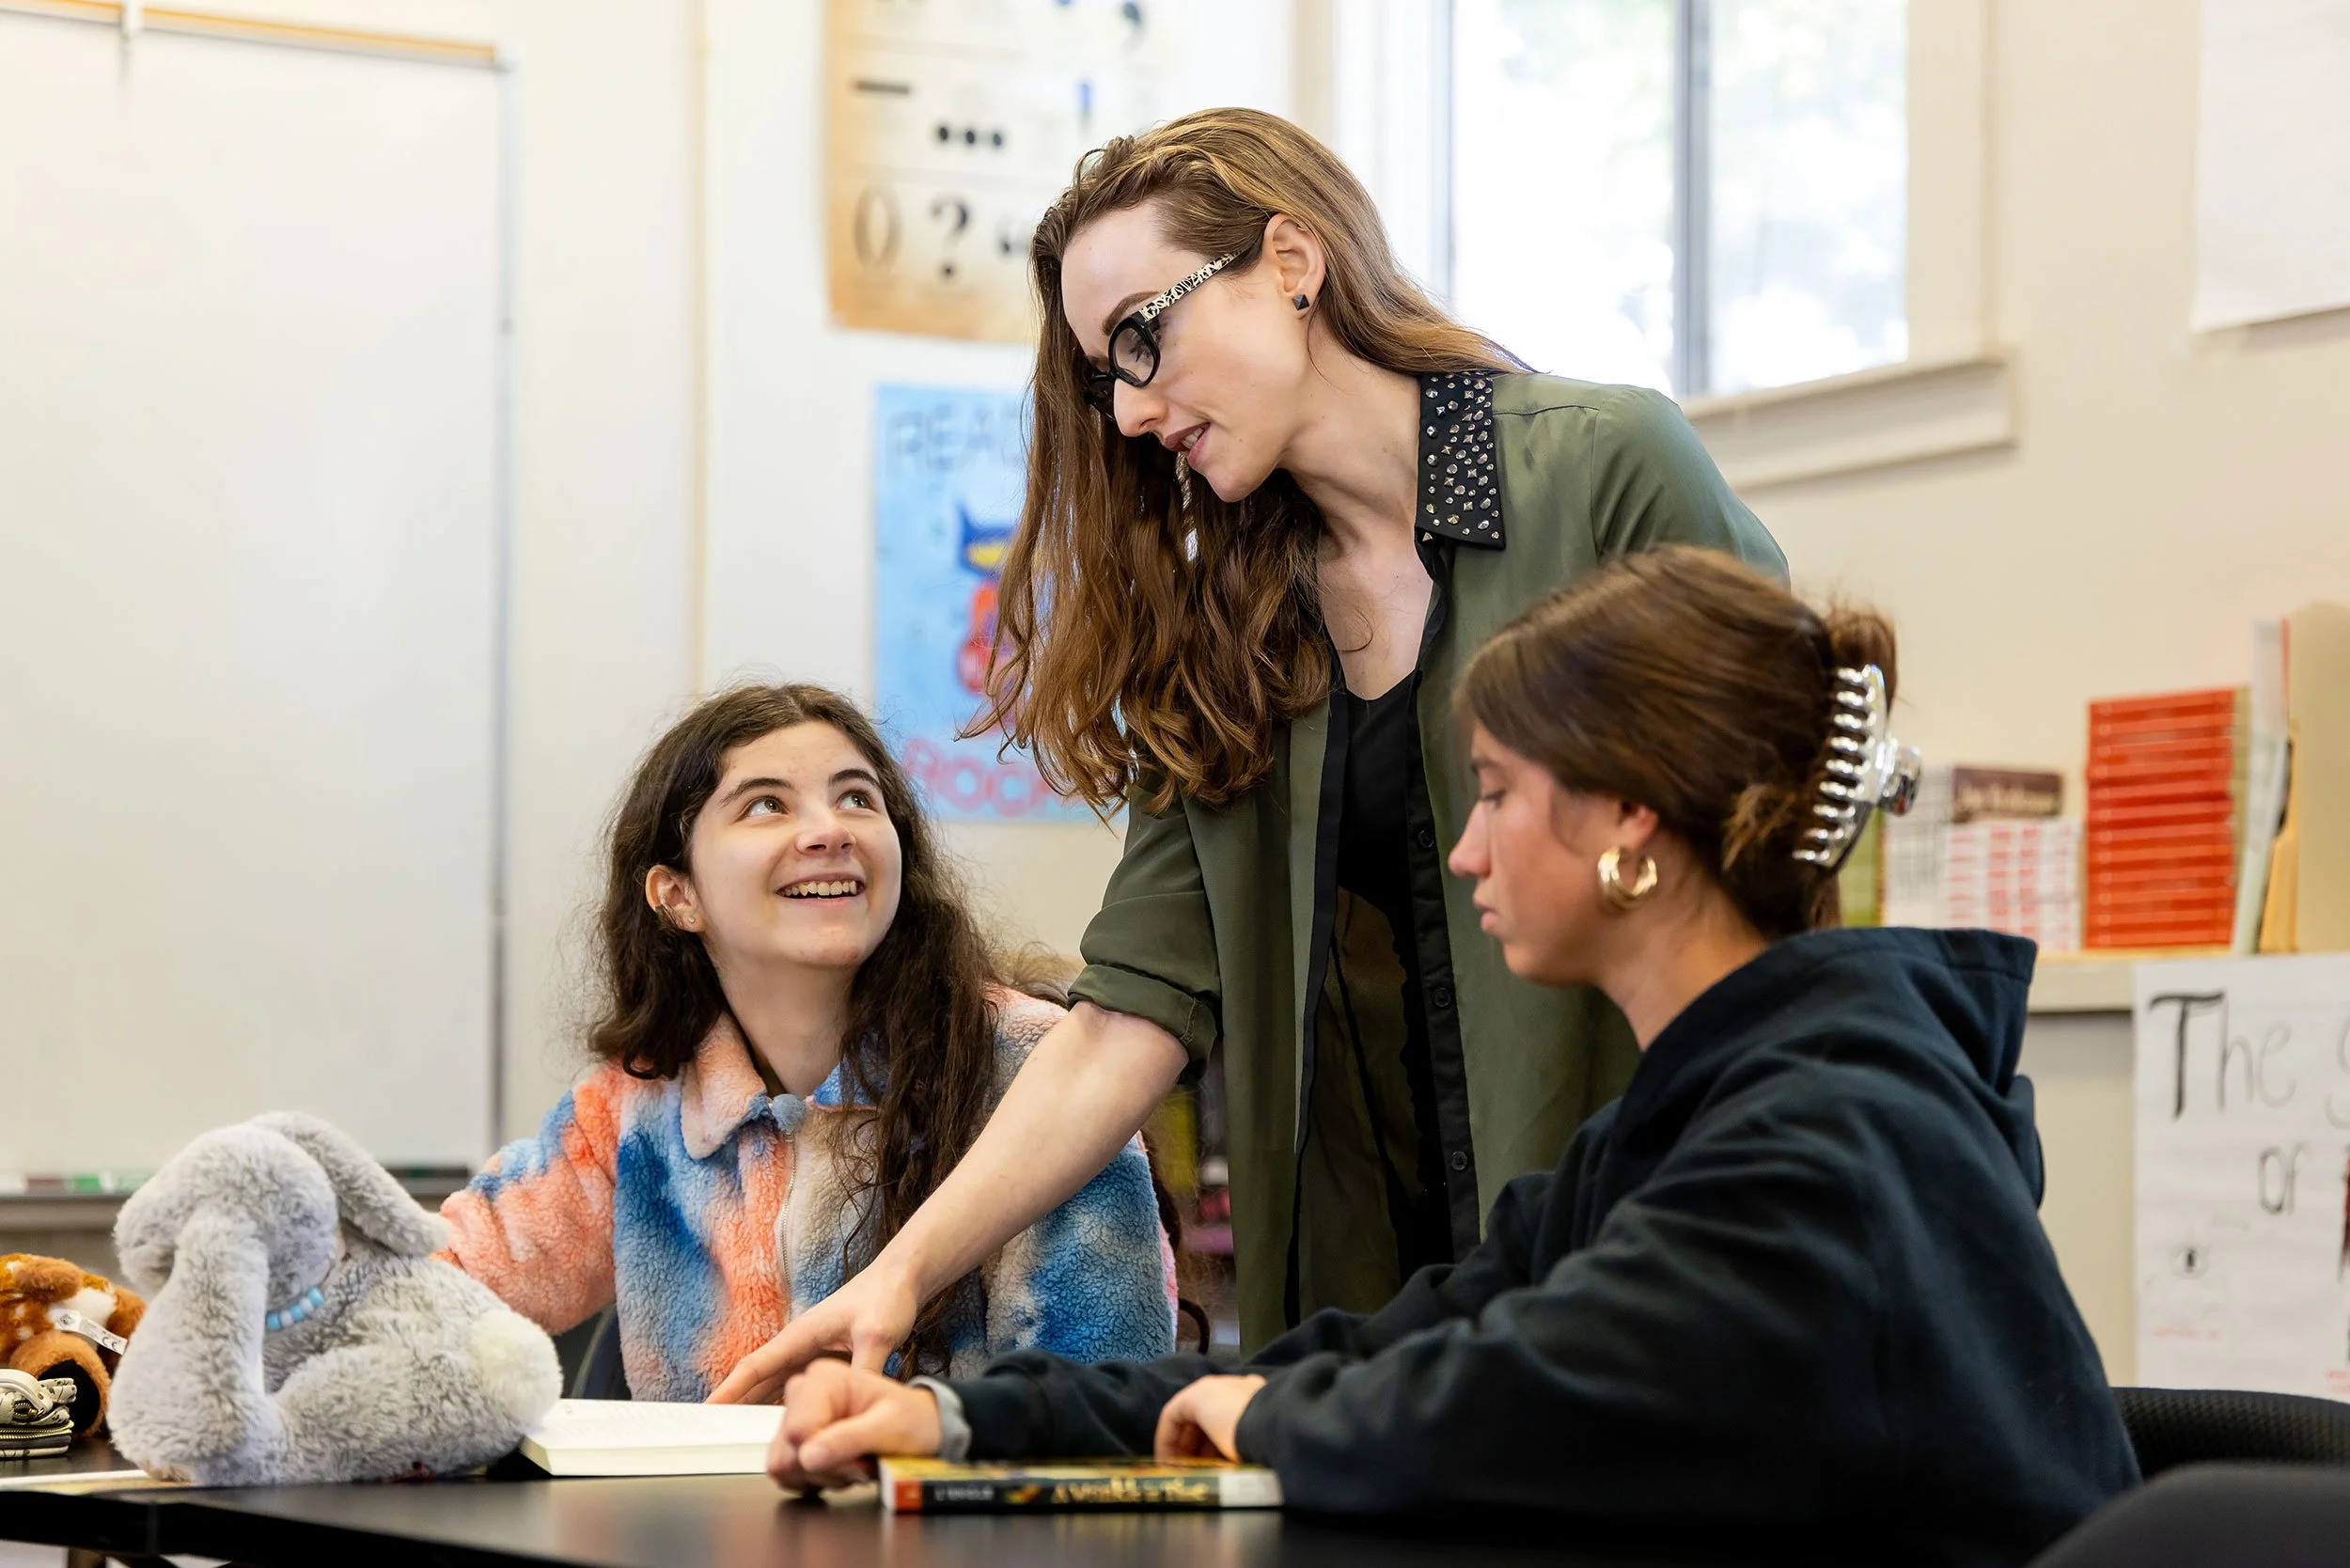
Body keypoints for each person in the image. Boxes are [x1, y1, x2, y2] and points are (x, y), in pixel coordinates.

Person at [756, 550, 2140, 1567]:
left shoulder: (1831, 1139)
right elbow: (1381, 1353)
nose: (1467, 848)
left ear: (1630, 823)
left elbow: (1509, 1402)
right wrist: (960, 1417)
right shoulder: (1695, 1117)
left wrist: (1256, 1412)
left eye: (1494, 794)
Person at [713, 108, 1784, 1398]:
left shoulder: (1605, 474)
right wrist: (897, 1275)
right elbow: (1126, 1018)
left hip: (1647, 1285)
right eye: (1105, 372)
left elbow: (1772, 864)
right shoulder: (1230, 626)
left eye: (1142, 338)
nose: (1125, 409)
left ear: (1292, 261)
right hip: (1369, 1335)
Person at [438, 684, 1174, 1400]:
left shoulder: (1035, 1069)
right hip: (693, 1526)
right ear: (677, 895)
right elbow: (440, 1292)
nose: (830, 831)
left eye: (858, 797)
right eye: (766, 805)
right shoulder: (632, 1109)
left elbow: (1095, 1400)